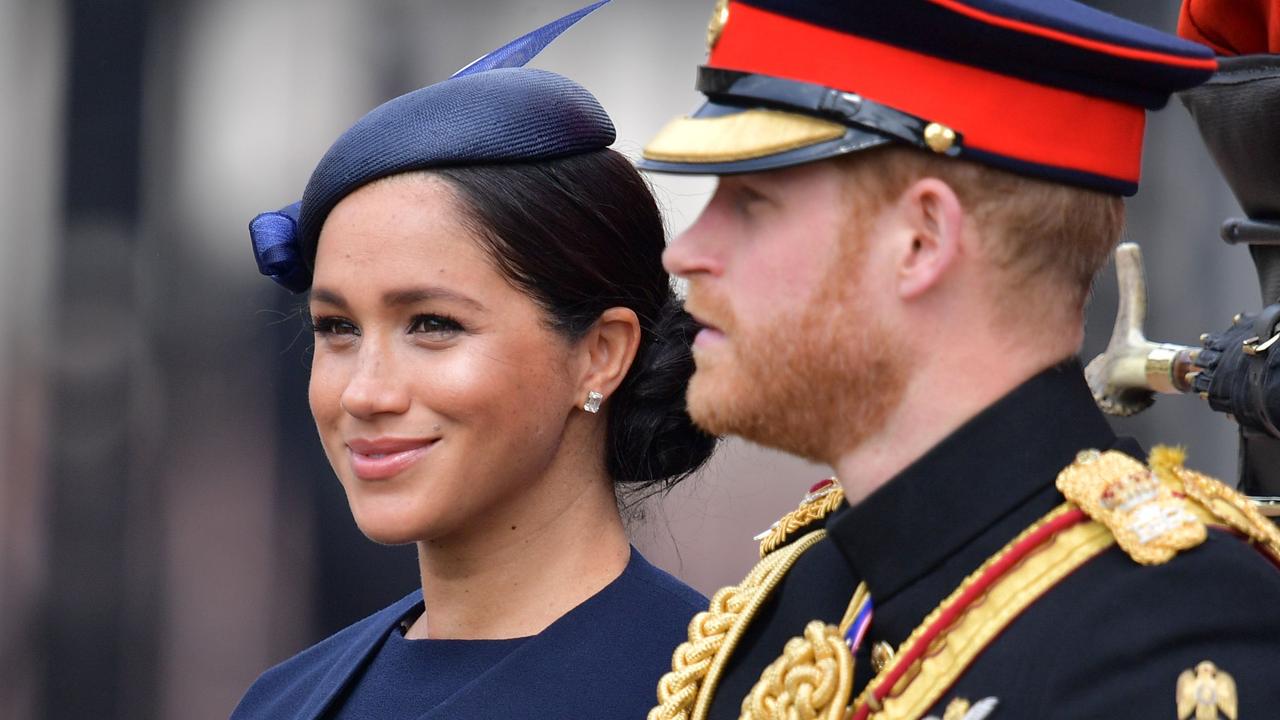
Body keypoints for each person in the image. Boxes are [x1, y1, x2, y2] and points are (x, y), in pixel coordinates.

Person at [639, 1, 1280, 719]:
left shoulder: (1173, 645)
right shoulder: (802, 590)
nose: (685, 253)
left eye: (751, 203)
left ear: (920, 240)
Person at [229, 58, 717, 719]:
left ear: (600, 355)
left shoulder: (722, 695)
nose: (364, 395)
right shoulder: (281, 702)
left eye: (432, 324)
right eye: (337, 327)